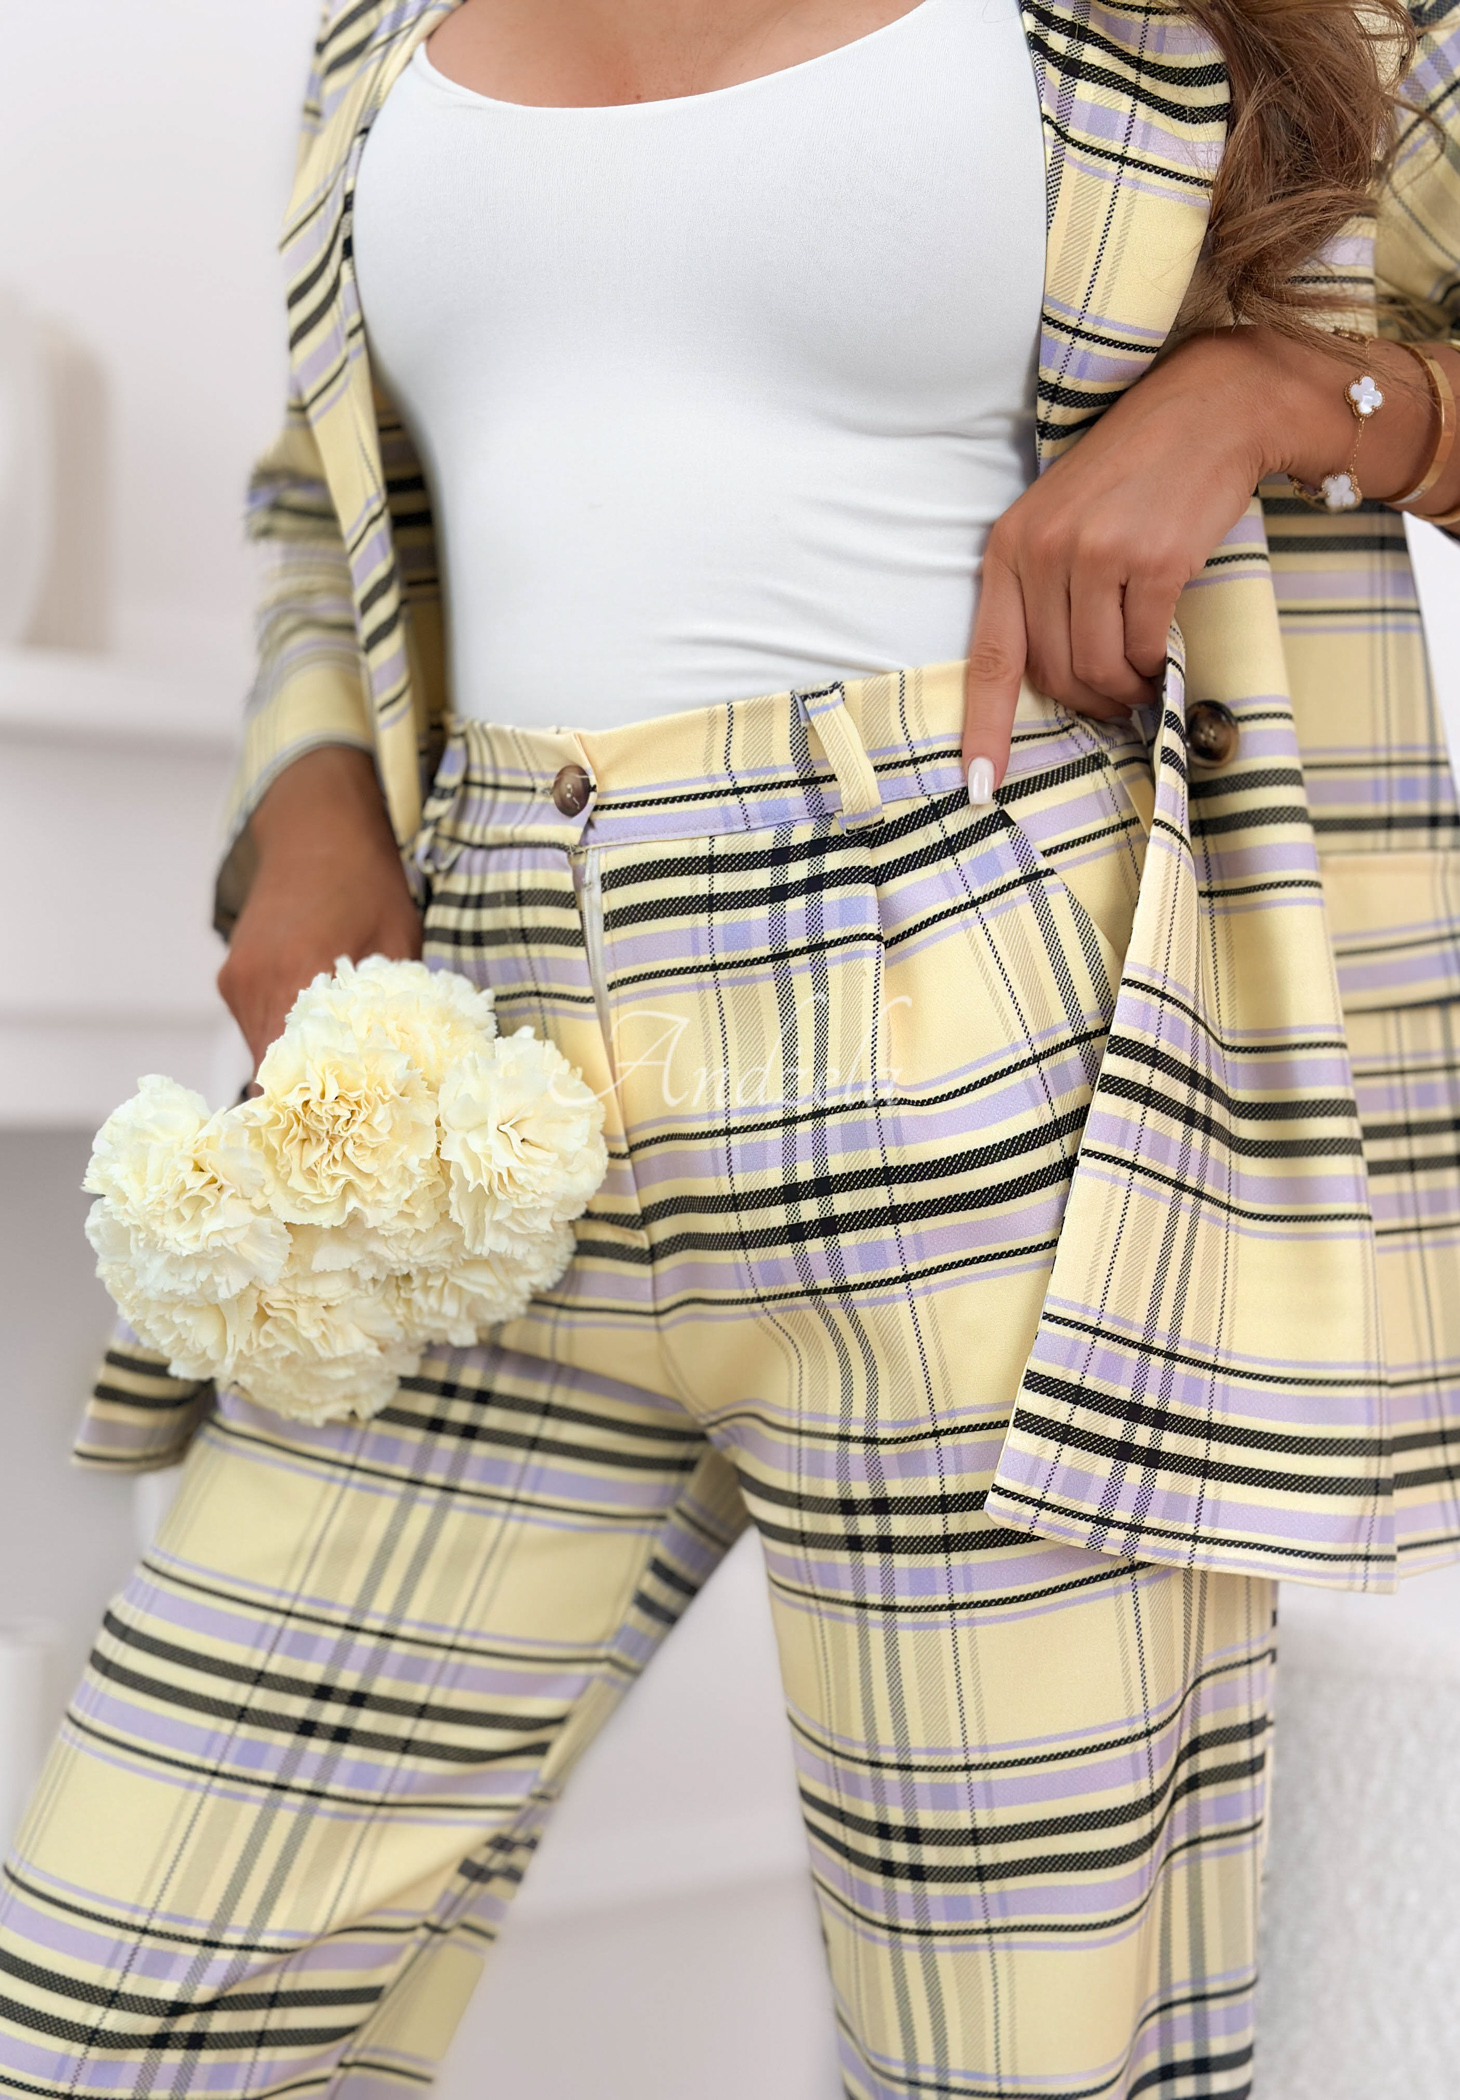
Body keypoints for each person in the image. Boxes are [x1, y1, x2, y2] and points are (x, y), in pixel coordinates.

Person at [3, 0, 1459, 2093]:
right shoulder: (375, 38)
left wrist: (1283, 395)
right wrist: (310, 798)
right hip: (473, 1100)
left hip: (994, 1078)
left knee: (1014, 2062)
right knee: (105, 2013)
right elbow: (324, 496)